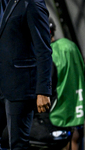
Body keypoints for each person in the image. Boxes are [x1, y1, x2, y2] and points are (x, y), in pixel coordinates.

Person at [0, 0, 52, 149]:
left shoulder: (32, 3)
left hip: (20, 83)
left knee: (18, 144)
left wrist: (43, 90)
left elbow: (43, 50)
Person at [49, 18, 85, 150]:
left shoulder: (49, 53)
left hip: (57, 115)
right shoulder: (71, 46)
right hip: (77, 110)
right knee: (75, 141)